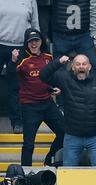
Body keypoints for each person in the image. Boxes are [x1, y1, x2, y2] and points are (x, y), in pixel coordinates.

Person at [7, 29, 65, 167]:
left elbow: (53, 77)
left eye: (36, 40)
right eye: (31, 41)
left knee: (65, 133)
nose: (34, 43)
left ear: (41, 42)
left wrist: (57, 87)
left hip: (48, 103)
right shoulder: (22, 59)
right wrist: (13, 61)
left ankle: (48, 160)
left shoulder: (48, 57)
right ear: (27, 43)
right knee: (28, 144)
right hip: (29, 106)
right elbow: (9, 74)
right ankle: (25, 173)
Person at [40, 54, 96, 166]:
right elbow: (43, 75)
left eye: (84, 64)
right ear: (72, 67)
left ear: (89, 67)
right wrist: (58, 62)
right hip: (72, 136)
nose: (81, 66)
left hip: (95, 136)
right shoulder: (64, 78)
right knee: (68, 171)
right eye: (78, 64)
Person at [0, 0, 39, 133]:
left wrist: (36, 46)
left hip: (20, 47)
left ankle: (17, 121)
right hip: (0, 44)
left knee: (16, 86)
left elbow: (35, 24)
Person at [51, 0, 96, 73]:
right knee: (58, 70)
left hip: (83, 35)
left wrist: (93, 34)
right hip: (61, 35)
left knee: (94, 67)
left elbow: (94, 9)